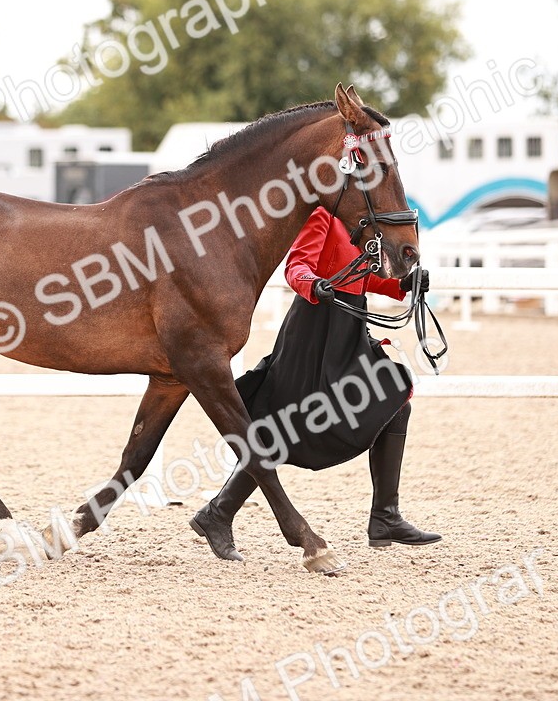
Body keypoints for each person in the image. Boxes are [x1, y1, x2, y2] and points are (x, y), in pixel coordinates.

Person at [189, 206, 442, 561]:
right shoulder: (322, 214)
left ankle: (385, 517)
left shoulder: (360, 221)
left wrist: (401, 285)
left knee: (396, 405)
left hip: (347, 331)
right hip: (313, 330)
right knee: (281, 427)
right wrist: (315, 285)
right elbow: (296, 267)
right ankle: (218, 513)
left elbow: (361, 277)